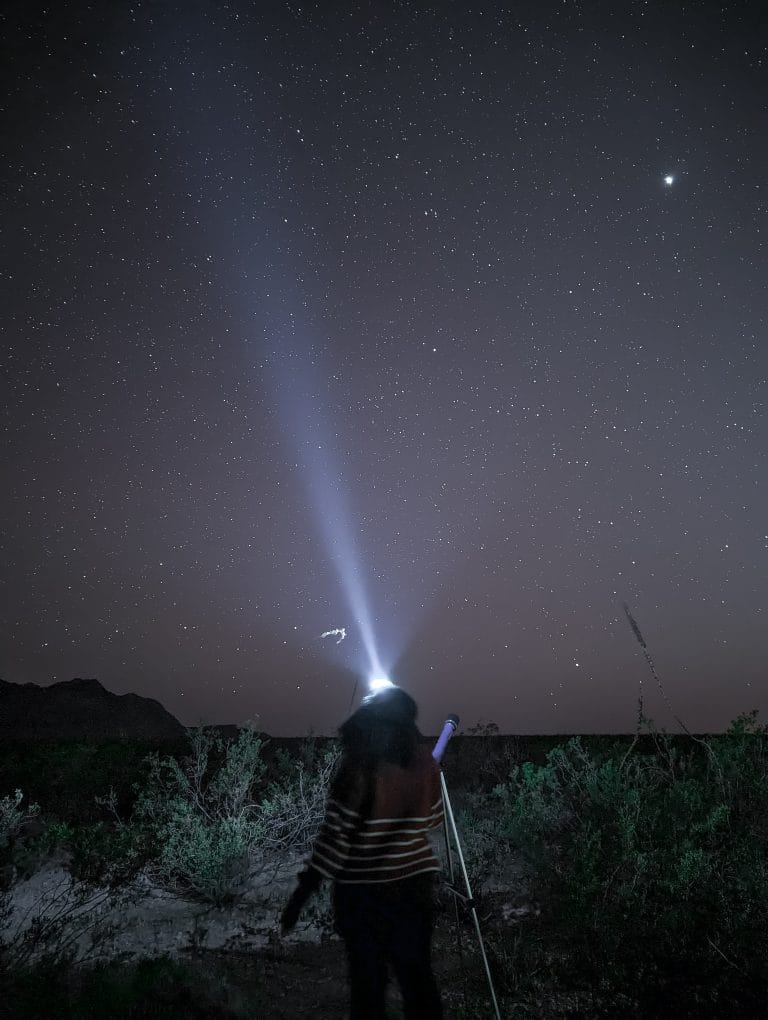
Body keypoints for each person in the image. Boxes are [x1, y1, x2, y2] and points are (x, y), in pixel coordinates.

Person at [280, 685, 444, 1019]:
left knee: (368, 989)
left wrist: (302, 895)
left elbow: (333, 840)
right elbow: (434, 818)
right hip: (414, 889)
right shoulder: (426, 763)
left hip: (363, 895)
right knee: (418, 983)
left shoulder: (358, 766)